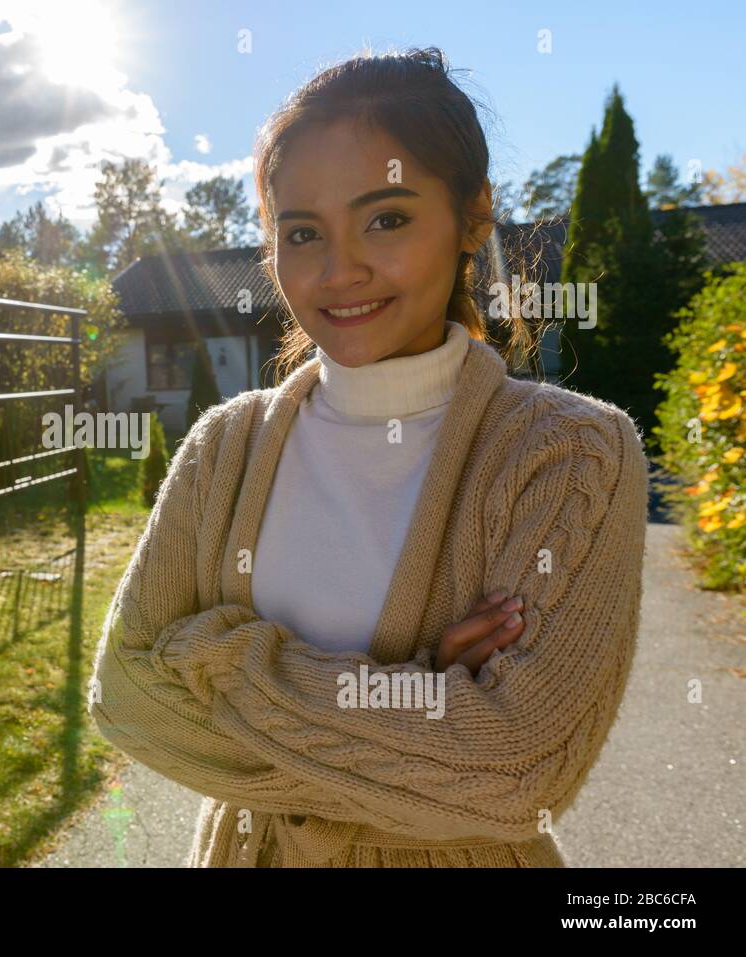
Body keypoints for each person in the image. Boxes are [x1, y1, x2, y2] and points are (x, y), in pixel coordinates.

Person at [87, 46, 649, 867]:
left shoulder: (571, 454)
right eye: (302, 232)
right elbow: (128, 700)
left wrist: (217, 660)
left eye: (386, 218)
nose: (339, 270)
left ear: (474, 216)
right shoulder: (224, 449)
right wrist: (420, 695)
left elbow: (517, 772)